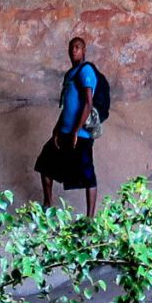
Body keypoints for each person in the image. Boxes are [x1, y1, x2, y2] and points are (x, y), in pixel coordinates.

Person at [33, 36, 99, 216]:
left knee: (88, 175)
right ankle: (47, 205)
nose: (74, 50)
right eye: (71, 48)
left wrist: (77, 130)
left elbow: (88, 103)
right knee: (44, 163)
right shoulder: (70, 74)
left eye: (77, 47)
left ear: (84, 51)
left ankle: (90, 219)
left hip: (81, 134)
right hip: (64, 132)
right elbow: (68, 105)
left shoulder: (86, 71)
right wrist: (57, 127)